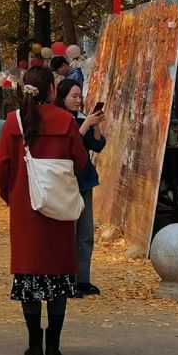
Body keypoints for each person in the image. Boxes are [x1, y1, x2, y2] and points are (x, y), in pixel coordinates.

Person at [0, 65, 88, 355]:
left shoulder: (14, 122)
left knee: (30, 275)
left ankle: (34, 347)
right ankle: (54, 348)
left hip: (26, 210)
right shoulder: (66, 120)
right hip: (59, 209)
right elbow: (81, 162)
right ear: (52, 90)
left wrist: (11, 194)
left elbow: (0, 165)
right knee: (58, 275)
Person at [56, 78, 107, 297]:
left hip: (84, 178)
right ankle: (66, 280)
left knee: (85, 232)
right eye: (74, 96)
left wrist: (95, 125)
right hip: (65, 180)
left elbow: (97, 145)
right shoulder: (59, 119)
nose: (78, 100)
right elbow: (69, 144)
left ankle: (82, 279)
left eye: (80, 96)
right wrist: (85, 125)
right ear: (62, 97)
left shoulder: (82, 118)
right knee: (68, 232)